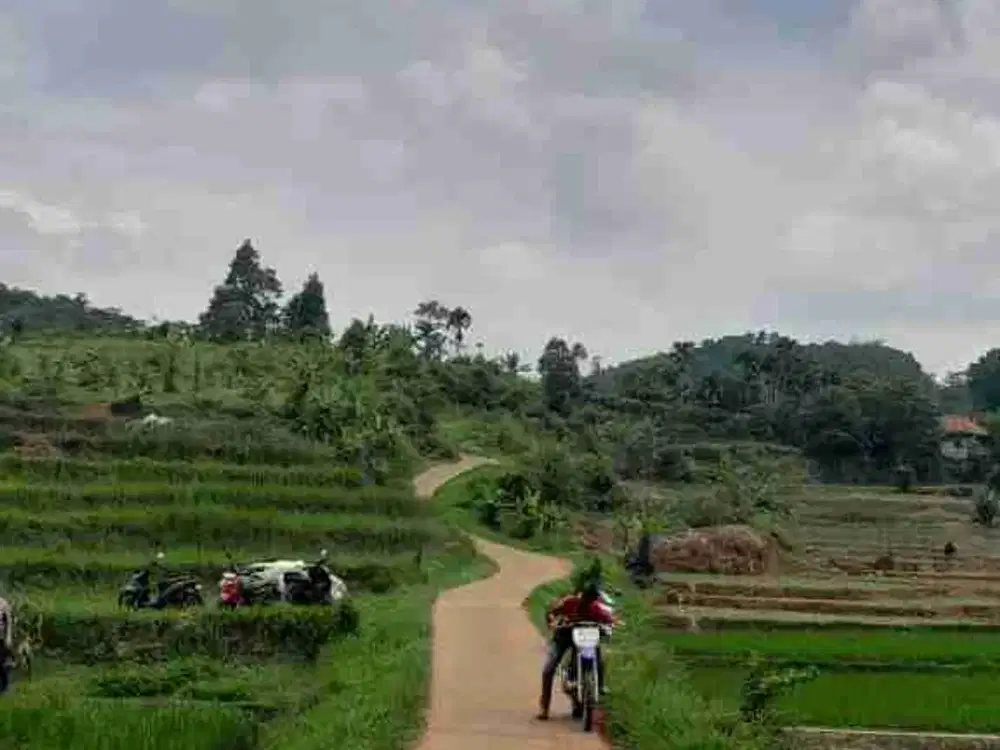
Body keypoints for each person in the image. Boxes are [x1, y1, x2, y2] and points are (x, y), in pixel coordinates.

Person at [537, 581, 616, 720]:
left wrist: (611, 624)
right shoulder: (569, 602)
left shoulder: (595, 608)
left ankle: (595, 688)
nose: (588, 601)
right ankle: (545, 706)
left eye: (591, 599)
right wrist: (552, 622)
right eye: (586, 598)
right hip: (563, 637)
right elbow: (551, 612)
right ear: (581, 595)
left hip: (583, 639)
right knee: (549, 669)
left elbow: (608, 619)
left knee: (595, 657)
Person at [0, 596, 12, 694]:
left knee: (2, 662)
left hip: (0, 636)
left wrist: (8, 636)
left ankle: (5, 686)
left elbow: (8, 621)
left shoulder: (3, 603)